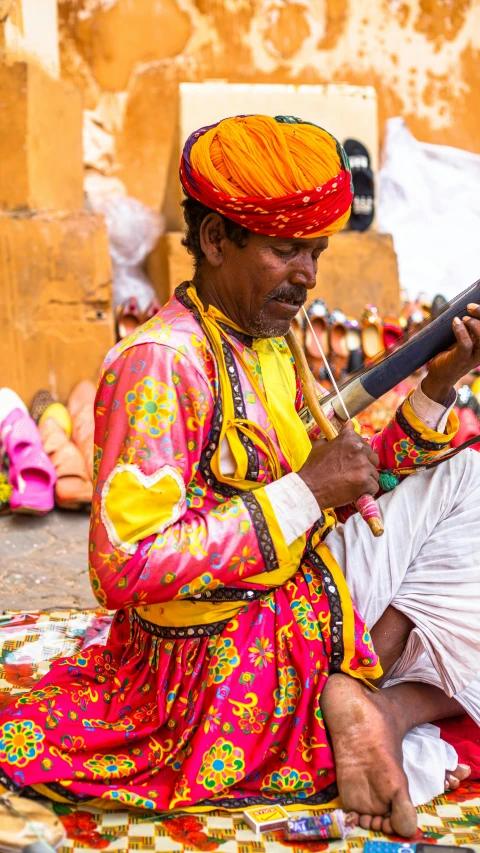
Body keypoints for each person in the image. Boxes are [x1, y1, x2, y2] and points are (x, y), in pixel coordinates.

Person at [1, 115, 479, 837]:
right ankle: (366, 689)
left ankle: (369, 694)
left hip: (289, 591)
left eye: (315, 253)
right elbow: (123, 565)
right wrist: (306, 492)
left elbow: (352, 479)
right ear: (217, 240)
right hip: (219, 660)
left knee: (463, 481)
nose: (308, 275)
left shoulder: (265, 338)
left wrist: (438, 387)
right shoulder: (163, 363)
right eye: (287, 250)